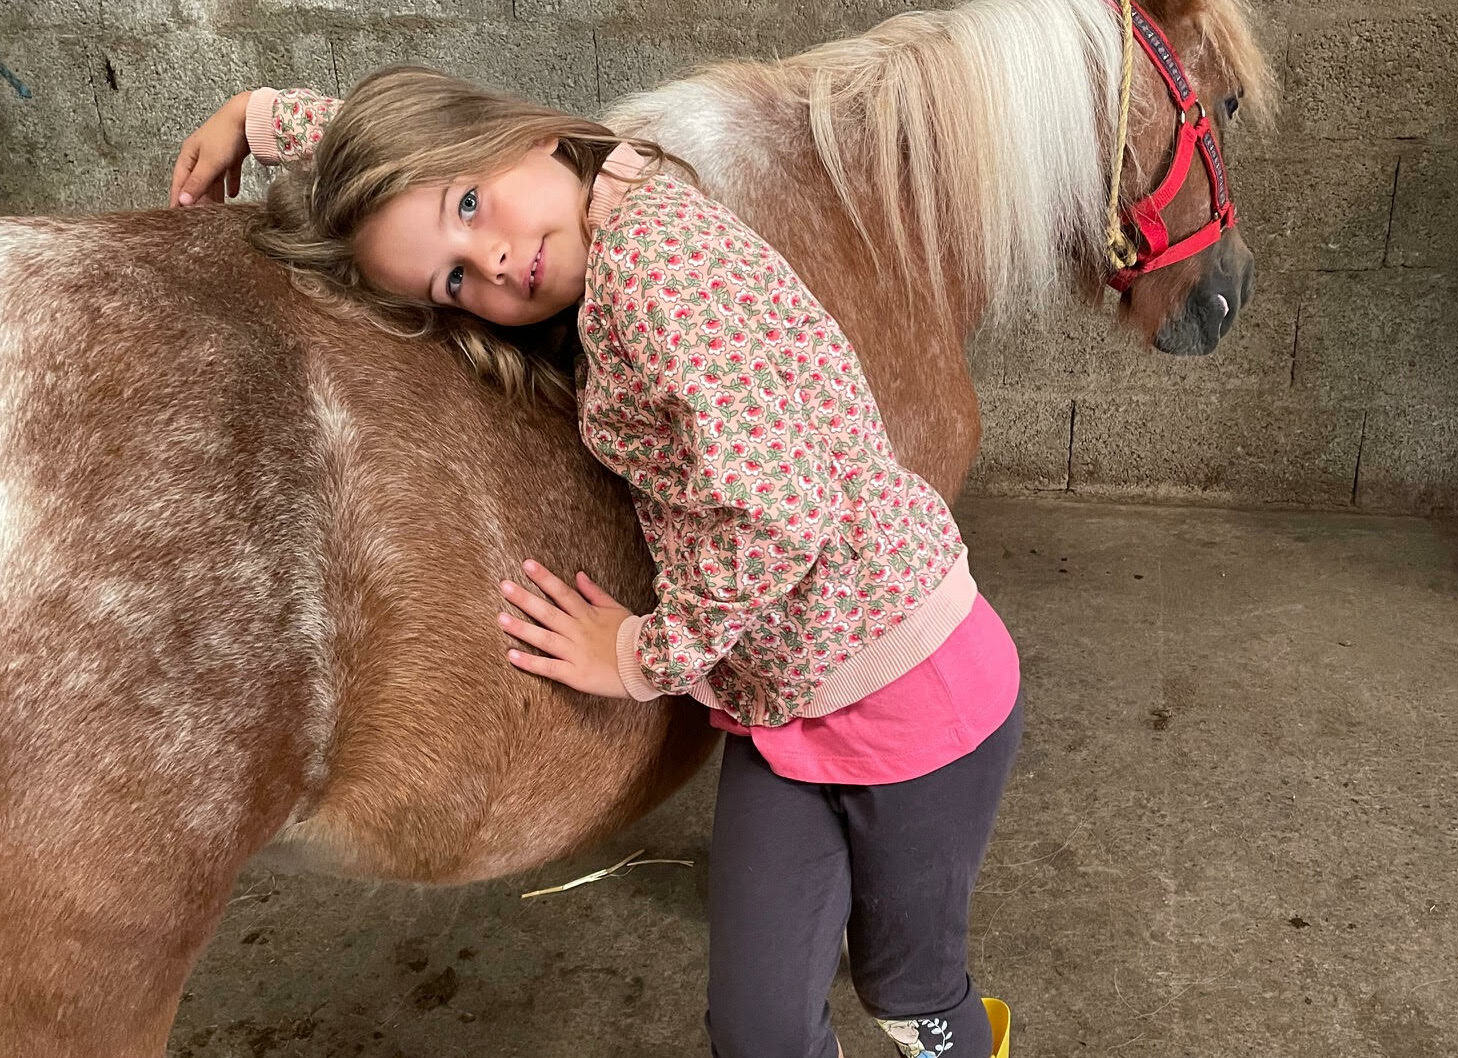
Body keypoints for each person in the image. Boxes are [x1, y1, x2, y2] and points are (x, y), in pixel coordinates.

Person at [172, 67, 1022, 1058]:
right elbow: (427, 153)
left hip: (919, 689)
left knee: (905, 988)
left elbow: (782, 510)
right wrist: (268, 119)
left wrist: (642, 653)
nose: (492, 258)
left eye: (472, 206)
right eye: (454, 278)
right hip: (780, 706)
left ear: (524, 138)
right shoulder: (595, 197)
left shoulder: (655, 268)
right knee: (755, 1029)